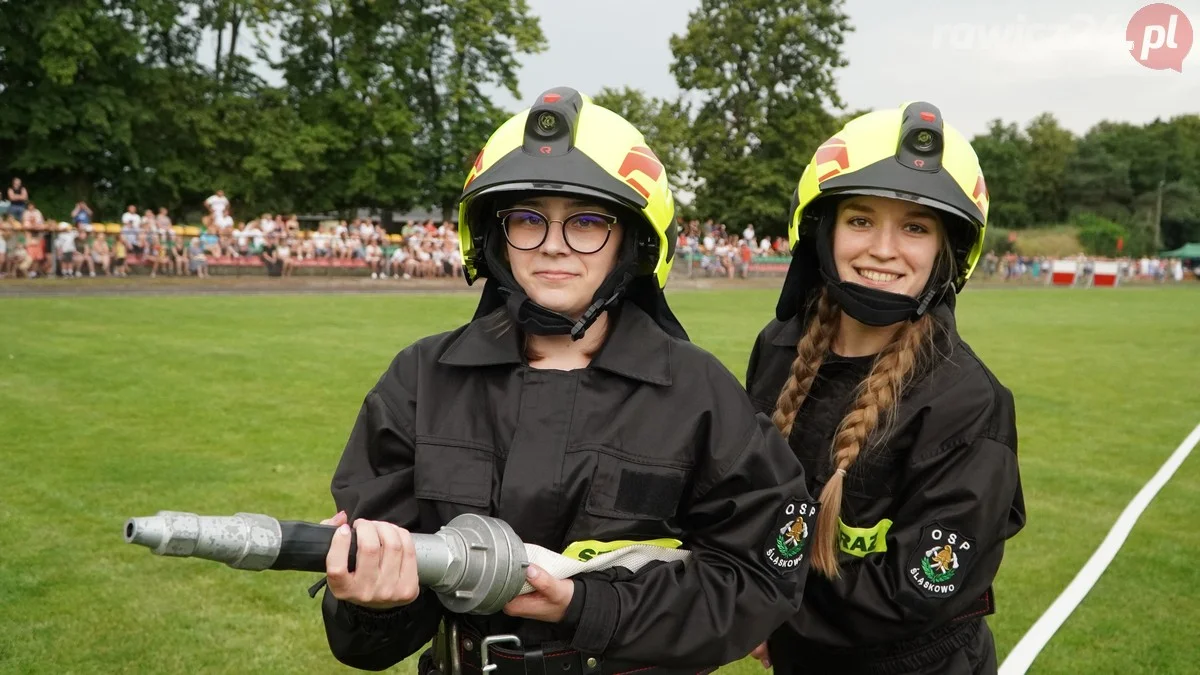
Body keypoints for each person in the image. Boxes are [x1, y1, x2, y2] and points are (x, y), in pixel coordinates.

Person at [315, 87, 818, 674]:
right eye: (528, 219)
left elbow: (758, 580)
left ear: (631, 241)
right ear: (494, 236)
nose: (553, 244)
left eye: (585, 222)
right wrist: (369, 605)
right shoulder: (422, 379)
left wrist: (587, 607)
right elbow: (366, 641)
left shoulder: (698, 393)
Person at [743, 103, 1026, 675]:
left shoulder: (969, 401)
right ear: (823, 231)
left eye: (916, 227)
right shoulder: (778, 349)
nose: (883, 248)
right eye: (861, 219)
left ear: (946, 251)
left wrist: (759, 608)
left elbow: (918, 587)